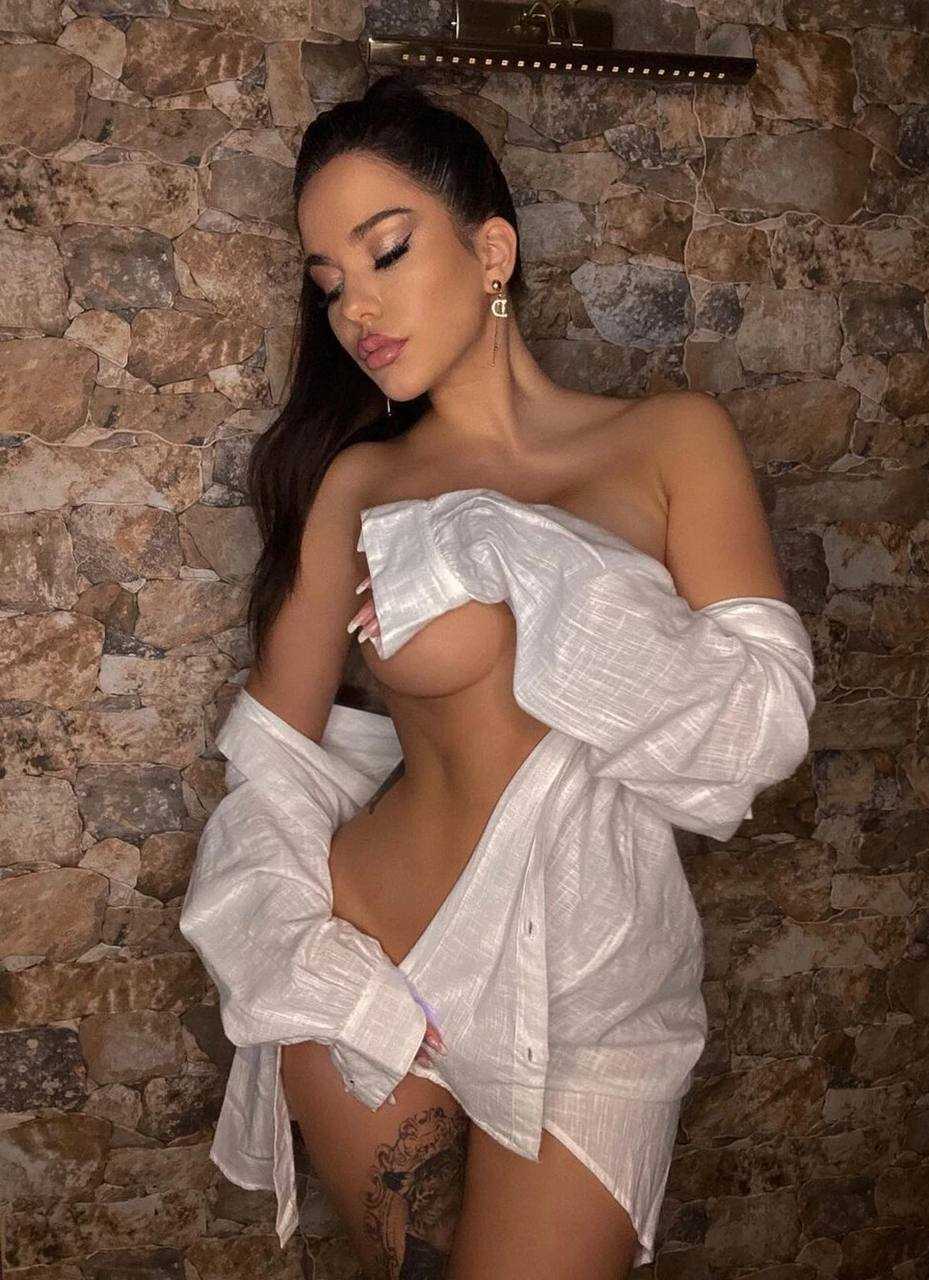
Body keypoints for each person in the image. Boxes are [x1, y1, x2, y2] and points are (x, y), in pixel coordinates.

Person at [179, 73, 816, 1278]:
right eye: (328, 282)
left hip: (596, 1005)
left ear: (490, 251)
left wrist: (513, 552)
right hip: (374, 965)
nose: (356, 306)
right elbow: (272, 758)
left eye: (384, 251)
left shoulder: (667, 439)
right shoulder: (360, 482)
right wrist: (303, 958)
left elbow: (759, 724)